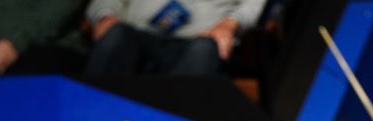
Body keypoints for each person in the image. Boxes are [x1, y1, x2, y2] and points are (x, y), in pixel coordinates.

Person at [84, 0, 267, 75]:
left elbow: (254, 4)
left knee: (204, 50)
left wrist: (230, 24)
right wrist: (104, 15)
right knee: (115, 35)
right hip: (134, 33)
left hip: (200, 39)